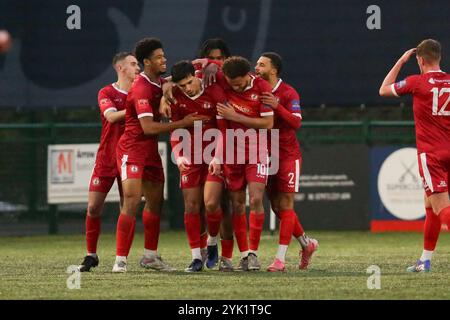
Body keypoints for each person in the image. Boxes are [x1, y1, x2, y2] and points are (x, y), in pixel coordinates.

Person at [112, 38, 208, 273]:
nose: (164, 59)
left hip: (150, 152)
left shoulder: (159, 82)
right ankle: (120, 260)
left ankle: (150, 256)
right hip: (132, 149)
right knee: (132, 202)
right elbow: (148, 128)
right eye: (159, 57)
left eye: (164, 55)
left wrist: (171, 84)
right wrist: (183, 122)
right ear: (147, 62)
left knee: (156, 203)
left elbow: (190, 69)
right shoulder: (141, 88)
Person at [160, 38, 235, 271]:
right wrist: (178, 154)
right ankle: (195, 257)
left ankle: (212, 243)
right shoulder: (176, 97)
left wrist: (218, 156)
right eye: (182, 85)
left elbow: (225, 130)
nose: (188, 88)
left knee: (212, 203)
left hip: (214, 155)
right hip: (190, 157)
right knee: (191, 206)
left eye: (190, 82)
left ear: (197, 75)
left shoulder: (214, 92)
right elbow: (175, 130)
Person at [379, 39, 450, 272]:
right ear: (439, 57)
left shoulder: (416, 82)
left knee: (442, 209)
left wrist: (400, 61)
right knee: (429, 204)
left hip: (432, 155)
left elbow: (384, 89)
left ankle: (425, 261)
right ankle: (425, 261)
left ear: (420, 60)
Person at [255, 52, 319, 271]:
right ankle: (306, 244)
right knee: (276, 207)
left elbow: (296, 122)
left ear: (273, 70)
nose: (257, 67)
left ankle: (280, 260)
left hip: (287, 155)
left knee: (286, 205)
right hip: (265, 154)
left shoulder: (288, 92)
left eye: (261, 65)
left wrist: (276, 105)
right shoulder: (256, 89)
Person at [78, 52, 140, 272]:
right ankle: (91, 255)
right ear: (120, 68)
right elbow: (111, 117)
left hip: (130, 156)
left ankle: (121, 259)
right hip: (106, 158)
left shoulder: (140, 90)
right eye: (133, 64)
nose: (138, 68)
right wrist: (139, 108)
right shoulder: (107, 91)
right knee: (93, 207)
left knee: (128, 208)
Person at [215, 56, 274, 271]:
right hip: (232, 154)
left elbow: (268, 123)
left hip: (257, 151)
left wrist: (235, 116)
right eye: (232, 83)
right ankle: (243, 254)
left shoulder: (262, 87)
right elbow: (222, 130)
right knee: (237, 203)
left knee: (256, 198)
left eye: (239, 82)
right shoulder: (223, 86)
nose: (236, 87)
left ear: (247, 75)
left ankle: (254, 254)